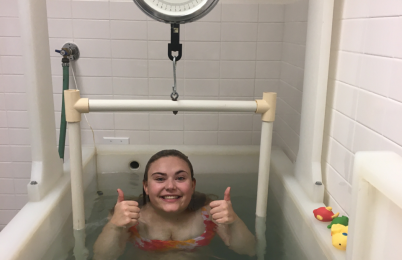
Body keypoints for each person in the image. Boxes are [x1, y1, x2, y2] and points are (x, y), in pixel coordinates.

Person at [93, 149, 256, 260]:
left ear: (192, 185)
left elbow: (248, 250)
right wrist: (114, 225)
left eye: (180, 178)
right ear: (146, 187)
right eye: (159, 179)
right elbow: (102, 257)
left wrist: (234, 221)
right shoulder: (128, 215)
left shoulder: (210, 212)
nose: (170, 186)